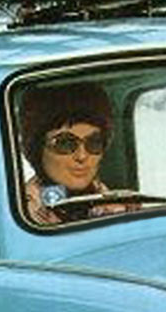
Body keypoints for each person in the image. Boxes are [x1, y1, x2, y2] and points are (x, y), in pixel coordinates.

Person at [20, 82, 122, 225]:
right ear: (36, 149)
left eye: (94, 143)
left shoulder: (122, 208)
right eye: (65, 144)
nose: (82, 156)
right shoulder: (19, 217)